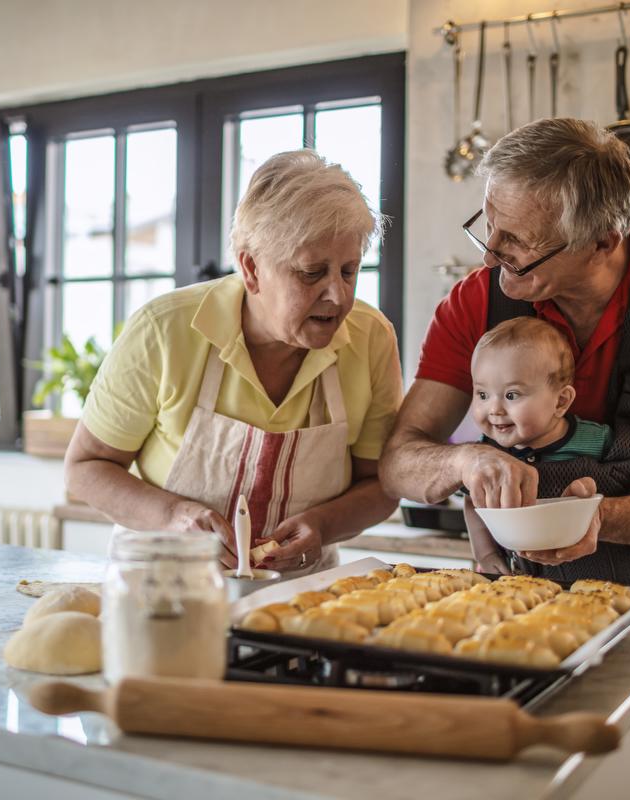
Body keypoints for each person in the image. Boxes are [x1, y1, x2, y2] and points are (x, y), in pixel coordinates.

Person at [65, 150, 403, 574]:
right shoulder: (165, 330)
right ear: (251, 268)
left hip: (302, 596)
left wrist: (324, 523)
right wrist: (174, 516)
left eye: (349, 271)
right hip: (165, 592)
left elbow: (381, 485)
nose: (338, 296)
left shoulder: (371, 338)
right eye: (312, 272)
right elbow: (86, 468)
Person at [380, 118, 630, 581]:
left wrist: (599, 517)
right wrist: (463, 460)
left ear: (602, 242)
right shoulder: (475, 302)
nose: (489, 255)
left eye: (516, 240)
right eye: (489, 225)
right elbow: (398, 464)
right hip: (518, 596)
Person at [463, 318, 612, 574]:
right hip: (518, 578)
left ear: (560, 401)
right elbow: (472, 503)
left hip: (595, 576)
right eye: (482, 394)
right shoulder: (488, 454)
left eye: (511, 395)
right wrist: (485, 554)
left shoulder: (599, 441)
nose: (494, 409)